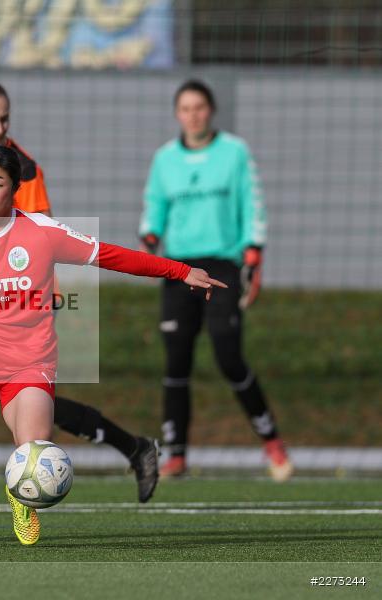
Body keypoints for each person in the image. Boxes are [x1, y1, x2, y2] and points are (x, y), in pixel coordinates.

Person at [0, 143, 225, 546]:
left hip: (29, 363)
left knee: (34, 452)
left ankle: (21, 500)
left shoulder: (41, 232)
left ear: (15, 189)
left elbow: (109, 256)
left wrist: (180, 271)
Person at [0, 79, 160, 514]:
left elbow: (38, 233)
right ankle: (132, 447)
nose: (0, 126)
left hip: (23, 294)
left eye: (5, 118)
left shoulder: (23, 167)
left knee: (15, 394)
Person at [138, 79, 293, 481]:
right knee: (176, 361)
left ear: (211, 111)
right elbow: (154, 203)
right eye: (186, 108)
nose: (193, 115)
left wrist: (253, 250)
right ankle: (176, 455)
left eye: (200, 107)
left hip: (222, 265)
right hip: (178, 267)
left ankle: (272, 443)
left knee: (228, 356)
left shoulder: (234, 152)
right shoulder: (164, 159)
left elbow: (251, 201)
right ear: (178, 114)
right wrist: (150, 231)